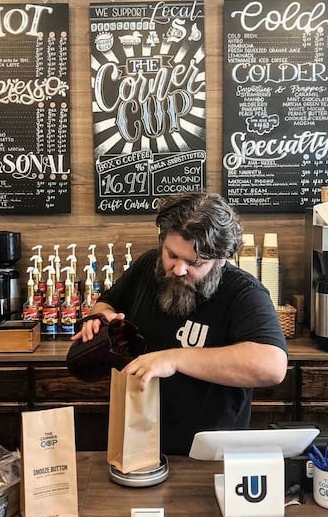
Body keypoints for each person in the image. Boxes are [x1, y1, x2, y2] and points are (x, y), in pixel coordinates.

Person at [72, 191, 288, 455]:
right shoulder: (147, 266)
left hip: (206, 456)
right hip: (136, 443)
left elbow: (272, 365)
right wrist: (99, 319)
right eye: (172, 255)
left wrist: (174, 359)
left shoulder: (243, 293)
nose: (179, 269)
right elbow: (107, 303)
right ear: (162, 241)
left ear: (221, 259)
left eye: (194, 262)